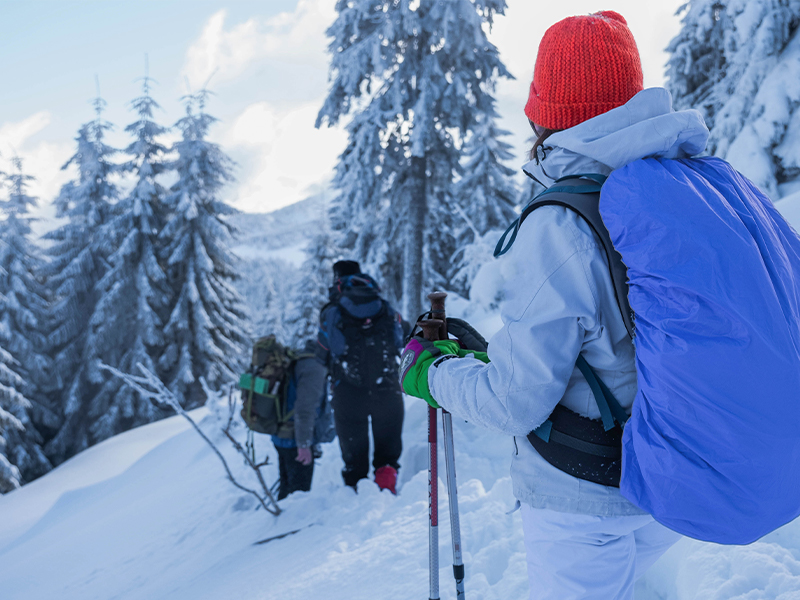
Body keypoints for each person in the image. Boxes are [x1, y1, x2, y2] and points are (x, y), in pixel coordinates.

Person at [399, 11, 706, 599]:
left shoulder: (562, 223)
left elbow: (516, 402)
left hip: (586, 497)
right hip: (671, 472)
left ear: (547, 112)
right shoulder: (681, 181)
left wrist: (432, 374)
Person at [316, 260, 405, 494]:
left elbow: (323, 350)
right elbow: (400, 339)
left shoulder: (332, 311)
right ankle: (387, 491)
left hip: (347, 390)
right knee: (388, 451)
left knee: (354, 453)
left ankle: (357, 494)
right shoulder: (382, 306)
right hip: (387, 388)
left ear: (337, 280)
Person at [271, 339, 330, 500]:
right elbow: (305, 409)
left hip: (283, 435)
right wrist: (304, 445)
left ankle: (279, 521)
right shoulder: (314, 367)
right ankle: (292, 525)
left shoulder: (303, 358)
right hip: (295, 440)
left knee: (286, 488)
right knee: (297, 497)